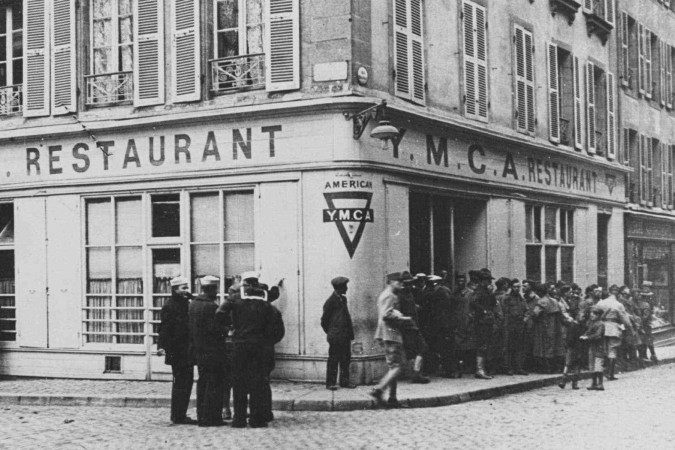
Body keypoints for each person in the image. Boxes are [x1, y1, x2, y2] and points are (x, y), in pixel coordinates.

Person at [216, 273, 279, 428]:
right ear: (257, 282)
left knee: (239, 382)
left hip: (240, 346)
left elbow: (219, 313)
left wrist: (231, 326)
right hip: (259, 347)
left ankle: (239, 419)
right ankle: (257, 420)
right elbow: (276, 325)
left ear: (244, 282)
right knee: (258, 382)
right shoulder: (266, 299)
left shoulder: (235, 298)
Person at [188, 276, 227, 427]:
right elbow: (215, 329)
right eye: (215, 289)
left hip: (199, 350)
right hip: (213, 351)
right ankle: (212, 418)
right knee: (214, 384)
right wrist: (226, 329)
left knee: (203, 382)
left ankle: (201, 415)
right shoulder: (211, 307)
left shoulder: (193, 305)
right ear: (212, 290)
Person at [370, 272, 412, 408]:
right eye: (398, 282)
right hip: (391, 334)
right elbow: (386, 315)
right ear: (391, 282)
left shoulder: (390, 294)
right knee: (398, 367)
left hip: (389, 334)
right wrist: (404, 319)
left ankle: (392, 398)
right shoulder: (389, 295)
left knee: (393, 367)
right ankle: (379, 389)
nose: (401, 284)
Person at [157, 276, 196, 425]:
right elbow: (164, 328)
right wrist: (161, 346)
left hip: (186, 350)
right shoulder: (170, 306)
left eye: (187, 287)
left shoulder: (186, 303)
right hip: (177, 351)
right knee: (181, 383)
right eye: (183, 288)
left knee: (186, 382)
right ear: (175, 289)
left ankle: (180, 414)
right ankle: (178, 415)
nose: (187, 290)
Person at [321, 276, 355, 390]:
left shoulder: (343, 299)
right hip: (336, 336)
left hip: (345, 335)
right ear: (340, 287)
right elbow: (324, 321)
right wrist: (332, 331)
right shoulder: (330, 302)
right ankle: (330, 383)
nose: (347, 288)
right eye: (345, 286)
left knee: (346, 359)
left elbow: (346, 317)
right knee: (333, 360)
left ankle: (344, 382)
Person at [596, 284, 634, 381]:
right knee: (612, 350)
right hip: (613, 328)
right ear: (617, 293)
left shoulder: (601, 303)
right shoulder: (618, 304)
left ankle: (600, 372)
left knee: (601, 350)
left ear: (609, 292)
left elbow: (595, 314)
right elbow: (625, 319)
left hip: (601, 328)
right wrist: (631, 330)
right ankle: (610, 373)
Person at [422, 274, 456, 378]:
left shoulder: (441, 291)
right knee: (442, 347)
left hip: (442, 325)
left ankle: (449, 370)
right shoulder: (441, 291)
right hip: (440, 324)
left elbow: (443, 309)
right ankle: (447, 369)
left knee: (444, 348)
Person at [399, 273, 430, 383]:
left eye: (410, 283)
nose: (409, 286)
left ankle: (415, 373)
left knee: (421, 348)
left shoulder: (410, 293)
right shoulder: (400, 295)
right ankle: (415, 374)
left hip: (414, 326)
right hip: (408, 327)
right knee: (417, 349)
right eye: (407, 284)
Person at [470, 268, 498, 379]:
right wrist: (484, 311)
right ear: (483, 280)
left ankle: (482, 369)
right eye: (488, 280)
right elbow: (473, 303)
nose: (490, 282)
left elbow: (492, 303)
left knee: (486, 345)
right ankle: (479, 370)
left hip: (487, 322)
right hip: (481, 322)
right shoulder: (479, 291)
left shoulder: (486, 291)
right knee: (482, 345)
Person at [531, 283, 564, 373]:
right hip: (555, 327)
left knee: (543, 346)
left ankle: (546, 368)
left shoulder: (541, 301)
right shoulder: (554, 301)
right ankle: (555, 367)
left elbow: (535, 314)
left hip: (544, 326)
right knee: (554, 345)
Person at [501, 279, 528, 375]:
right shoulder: (507, 297)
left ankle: (518, 367)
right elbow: (503, 310)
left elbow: (526, 310)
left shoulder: (521, 298)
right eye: (515, 287)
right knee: (508, 347)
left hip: (519, 324)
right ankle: (508, 368)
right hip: (509, 324)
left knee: (519, 347)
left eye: (518, 287)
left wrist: (525, 318)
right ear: (511, 287)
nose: (517, 289)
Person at [580, 306, 606, 391]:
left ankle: (600, 384)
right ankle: (594, 383)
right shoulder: (591, 323)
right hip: (592, 346)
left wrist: (587, 337)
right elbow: (588, 332)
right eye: (591, 314)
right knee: (592, 366)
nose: (592, 316)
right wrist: (584, 335)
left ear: (598, 315)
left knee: (598, 366)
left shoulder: (601, 324)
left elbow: (598, 335)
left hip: (599, 347)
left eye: (594, 315)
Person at [636, 281, 658, 363]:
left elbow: (649, 310)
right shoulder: (642, 297)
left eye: (647, 287)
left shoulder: (650, 297)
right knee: (644, 339)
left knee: (648, 339)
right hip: (643, 321)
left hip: (646, 321)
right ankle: (645, 355)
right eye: (644, 287)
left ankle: (652, 355)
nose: (646, 288)